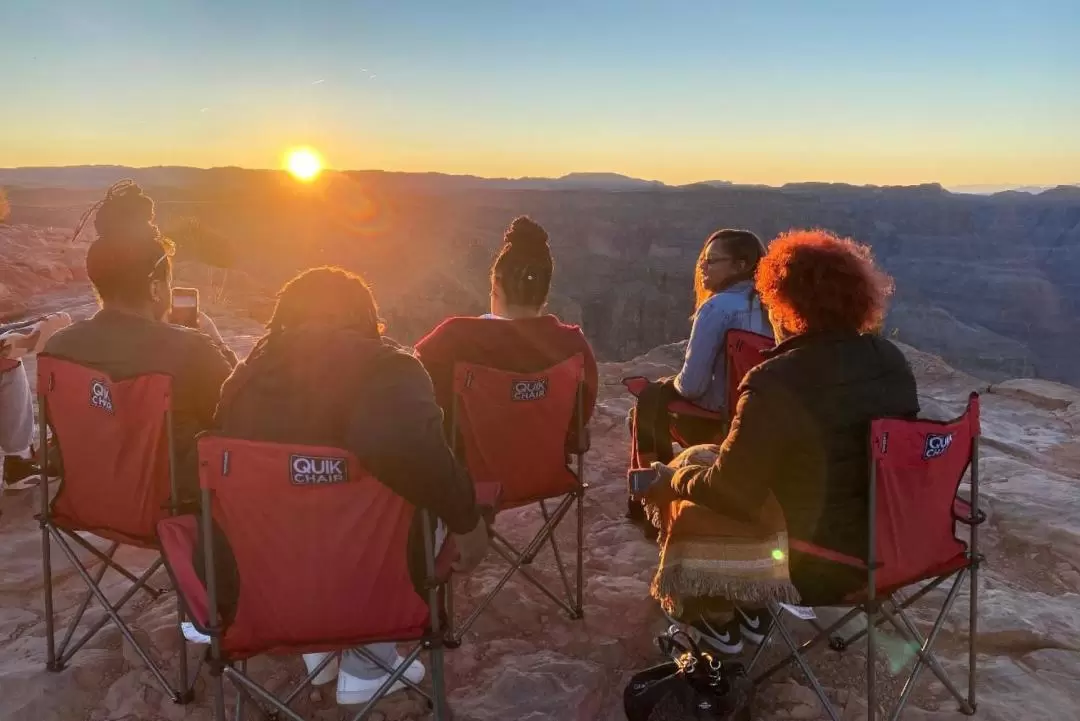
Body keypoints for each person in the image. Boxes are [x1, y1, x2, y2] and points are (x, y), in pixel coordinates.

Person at [212, 266, 490, 706]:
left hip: (270, 588)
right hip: (365, 580)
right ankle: (367, 667)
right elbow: (404, 447)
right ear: (365, 318)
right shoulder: (390, 369)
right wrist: (467, 518)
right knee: (410, 492)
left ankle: (317, 649)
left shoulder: (242, 382)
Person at [652, 228, 919, 654]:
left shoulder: (775, 380)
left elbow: (732, 494)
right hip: (893, 544)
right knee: (704, 455)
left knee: (690, 479)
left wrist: (670, 480)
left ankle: (712, 612)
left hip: (813, 561)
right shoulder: (890, 360)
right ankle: (748, 611)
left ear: (783, 304)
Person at [43, 181, 236, 503]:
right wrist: (214, 341)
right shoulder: (193, 350)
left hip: (87, 501)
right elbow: (239, 414)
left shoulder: (59, 348)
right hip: (172, 504)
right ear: (156, 288)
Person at [414, 216, 598, 442]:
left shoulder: (452, 338)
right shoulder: (573, 346)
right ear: (544, 291)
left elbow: (420, 407)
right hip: (547, 475)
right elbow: (579, 419)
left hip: (468, 476)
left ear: (497, 289)